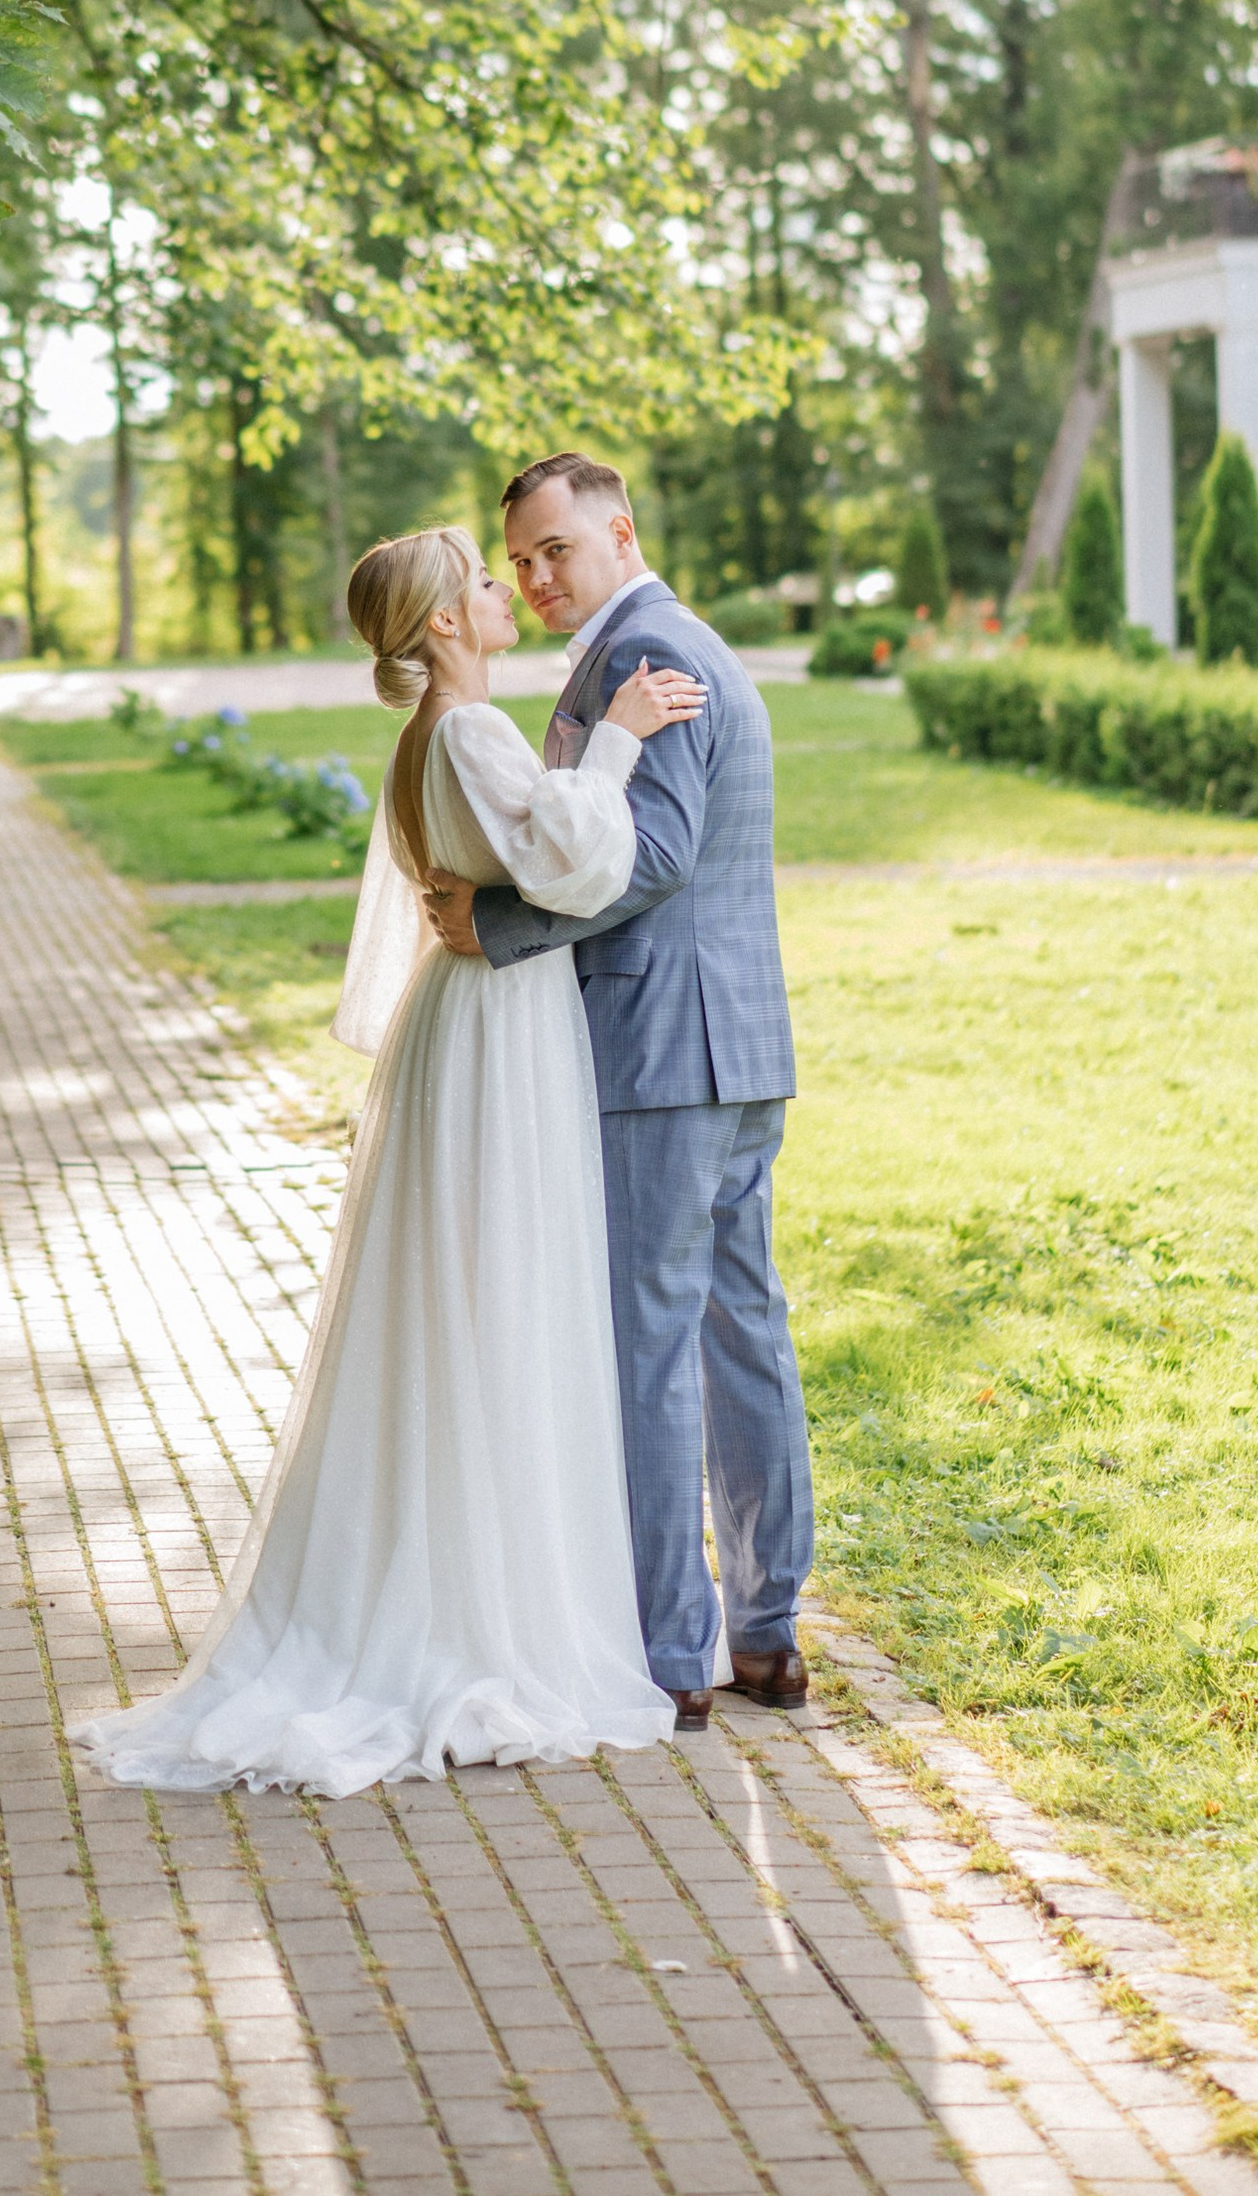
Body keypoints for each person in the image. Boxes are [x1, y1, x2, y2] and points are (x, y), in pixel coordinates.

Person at [72, 523, 705, 1796]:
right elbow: (577, 866)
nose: (499, 589)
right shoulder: (465, 731)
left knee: (467, 1301)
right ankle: (480, 1618)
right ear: (440, 627)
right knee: (499, 1299)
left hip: (469, 1024)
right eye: (482, 577)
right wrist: (622, 737)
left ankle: (457, 1574)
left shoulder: (431, 737)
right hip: (498, 1034)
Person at [418, 451, 814, 1729]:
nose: (534, 577)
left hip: (665, 1055)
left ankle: (667, 1649)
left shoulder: (647, 658)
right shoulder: (650, 646)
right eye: (518, 558)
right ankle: (764, 1635)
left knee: (650, 1348)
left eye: (554, 551)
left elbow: (649, 854)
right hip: (732, 1049)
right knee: (738, 1327)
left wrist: (499, 923)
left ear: (619, 530)